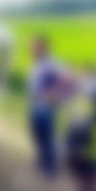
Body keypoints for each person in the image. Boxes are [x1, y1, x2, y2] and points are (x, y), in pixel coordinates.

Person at [29, 35, 75, 177]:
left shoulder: (52, 63)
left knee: (47, 136)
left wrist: (53, 94)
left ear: (45, 47)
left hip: (46, 107)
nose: (32, 49)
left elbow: (69, 78)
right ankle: (42, 161)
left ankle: (50, 168)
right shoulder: (38, 63)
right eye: (31, 47)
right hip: (36, 104)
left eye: (35, 47)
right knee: (37, 133)